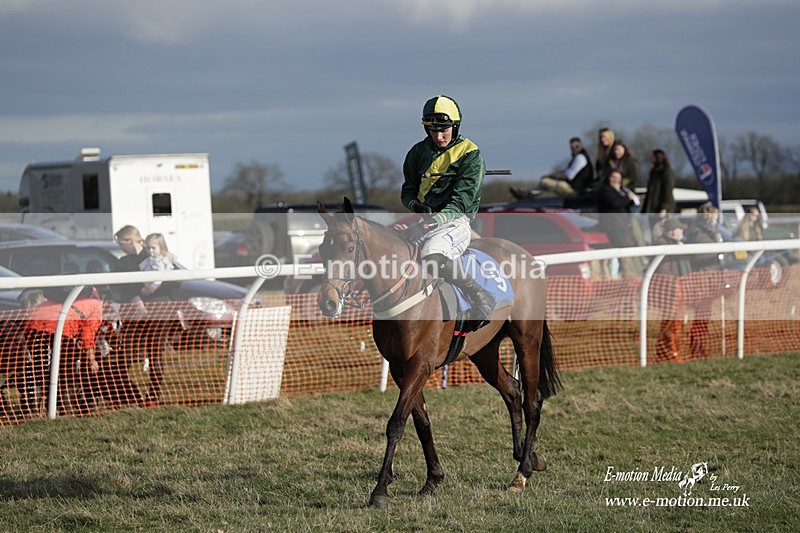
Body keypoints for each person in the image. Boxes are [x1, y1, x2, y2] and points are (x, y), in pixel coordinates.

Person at [398, 94, 493, 330]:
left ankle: (480, 297)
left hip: (457, 221)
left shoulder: (471, 154)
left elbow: (460, 203)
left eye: (444, 130)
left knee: (432, 253)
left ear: (455, 126)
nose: (438, 137)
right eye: (433, 131)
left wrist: (427, 224)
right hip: (425, 220)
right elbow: (407, 191)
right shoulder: (417, 152)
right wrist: (415, 206)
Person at [112, 225, 178, 407]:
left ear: (130, 240)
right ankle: (128, 394)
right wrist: (136, 292)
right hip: (134, 317)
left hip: (159, 314)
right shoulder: (122, 263)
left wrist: (152, 289)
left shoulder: (157, 257)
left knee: (155, 356)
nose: (119, 246)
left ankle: (152, 397)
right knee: (124, 357)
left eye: (121, 243)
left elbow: (176, 280)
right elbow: (119, 289)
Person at [23, 285, 103, 416]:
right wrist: (92, 360)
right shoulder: (96, 306)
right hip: (61, 329)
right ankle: (63, 408)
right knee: (65, 372)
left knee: (38, 369)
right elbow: (87, 337)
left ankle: (33, 407)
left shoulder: (64, 295)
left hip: (34, 326)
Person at [684, 202, 723, 359]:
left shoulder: (712, 232)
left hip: (710, 277)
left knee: (704, 316)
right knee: (700, 316)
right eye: (714, 217)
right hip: (702, 278)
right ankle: (696, 349)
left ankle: (700, 347)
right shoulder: (698, 234)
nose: (716, 220)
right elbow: (702, 256)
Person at [652, 218, 692, 363]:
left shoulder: (676, 244)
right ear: (671, 231)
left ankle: (667, 352)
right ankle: (670, 353)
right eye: (679, 229)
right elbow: (665, 272)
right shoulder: (663, 246)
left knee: (675, 324)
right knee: (671, 324)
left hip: (678, 290)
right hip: (672, 291)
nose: (682, 231)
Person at [509, 137, 594, 199]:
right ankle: (528, 193)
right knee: (546, 185)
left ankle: (528, 194)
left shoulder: (580, 158)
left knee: (545, 182)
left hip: (575, 190)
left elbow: (568, 175)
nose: (574, 149)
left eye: (576, 146)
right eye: (572, 147)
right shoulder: (577, 158)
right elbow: (565, 171)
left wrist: (550, 176)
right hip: (575, 188)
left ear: (580, 146)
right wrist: (550, 175)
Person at [597, 169, 641, 277]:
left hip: (623, 226)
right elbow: (615, 203)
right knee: (623, 251)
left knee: (628, 249)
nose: (616, 181)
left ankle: (631, 273)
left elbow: (624, 204)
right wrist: (627, 198)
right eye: (613, 178)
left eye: (618, 179)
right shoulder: (605, 191)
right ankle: (629, 275)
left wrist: (633, 200)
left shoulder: (622, 191)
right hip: (612, 226)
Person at [641, 149, 676, 242]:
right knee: (654, 233)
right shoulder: (653, 172)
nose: (651, 159)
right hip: (652, 209)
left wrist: (664, 208)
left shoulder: (666, 172)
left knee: (662, 232)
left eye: (653, 157)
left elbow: (667, 190)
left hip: (661, 209)